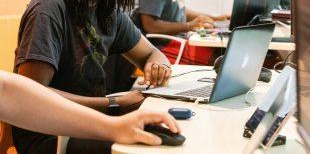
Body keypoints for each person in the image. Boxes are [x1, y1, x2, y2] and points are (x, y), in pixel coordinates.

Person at [13, 0, 172, 153]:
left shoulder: (107, 9)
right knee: (145, 147)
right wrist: (113, 104)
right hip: (49, 133)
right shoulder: (49, 6)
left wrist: (158, 65)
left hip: (89, 122)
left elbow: (151, 53)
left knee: (161, 137)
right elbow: (32, 96)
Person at [0, 71, 179, 146]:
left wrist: (114, 126)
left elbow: (6, 90)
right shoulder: (48, 7)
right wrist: (115, 107)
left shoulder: (110, 12)